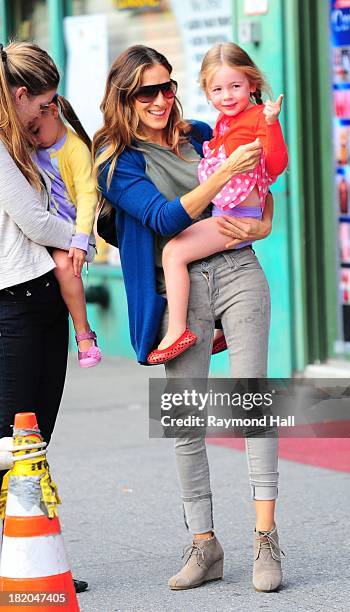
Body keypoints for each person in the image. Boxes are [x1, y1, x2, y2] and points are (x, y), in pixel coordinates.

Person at [94, 44, 286, 593]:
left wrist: (264, 224)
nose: (160, 99)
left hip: (237, 268)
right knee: (185, 420)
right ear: (124, 96)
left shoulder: (201, 131)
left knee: (254, 401)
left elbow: (259, 189)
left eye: (167, 86)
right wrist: (224, 171)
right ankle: (205, 545)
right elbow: (163, 217)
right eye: (146, 90)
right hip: (177, 289)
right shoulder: (117, 161)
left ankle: (265, 539)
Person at [0, 40, 87, 594]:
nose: (49, 114)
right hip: (16, 302)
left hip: (43, 298)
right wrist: (83, 238)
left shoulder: (25, 139)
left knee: (35, 441)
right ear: (23, 94)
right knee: (12, 444)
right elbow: (34, 220)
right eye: (46, 102)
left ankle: (31, 561)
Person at [148, 42, 287, 364]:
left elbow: (275, 166)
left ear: (252, 84)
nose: (227, 96)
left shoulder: (255, 117)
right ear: (207, 93)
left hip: (235, 215)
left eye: (235, 86)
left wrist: (272, 123)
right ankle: (222, 324)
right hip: (229, 213)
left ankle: (177, 330)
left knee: (174, 252)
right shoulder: (221, 123)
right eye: (218, 89)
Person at [31, 96, 102, 367]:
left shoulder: (75, 150)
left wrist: (82, 238)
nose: (34, 139)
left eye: (36, 130)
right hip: (40, 232)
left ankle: (84, 334)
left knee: (63, 266)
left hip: (71, 234)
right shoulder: (33, 147)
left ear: (52, 112)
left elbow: (87, 195)